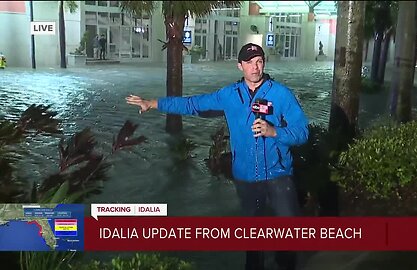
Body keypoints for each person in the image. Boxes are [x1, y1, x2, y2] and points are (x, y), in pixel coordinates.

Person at [125, 43, 309, 270]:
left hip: (278, 174)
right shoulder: (229, 95)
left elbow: (302, 132)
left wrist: (275, 132)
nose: (255, 67)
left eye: (259, 61)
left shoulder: (281, 94)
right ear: (239, 66)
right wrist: (153, 103)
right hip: (246, 178)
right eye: (249, 62)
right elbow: (193, 104)